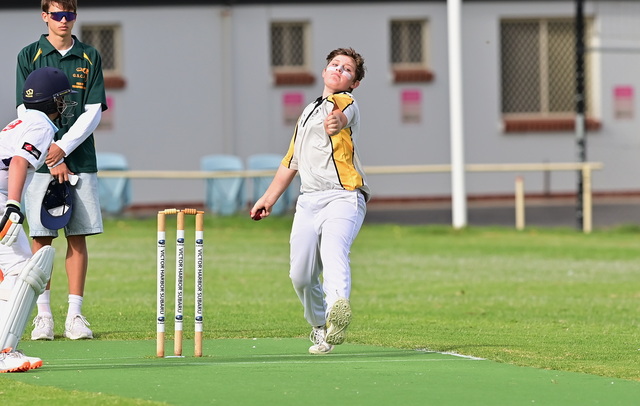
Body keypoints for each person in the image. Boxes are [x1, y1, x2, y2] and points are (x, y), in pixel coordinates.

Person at [250, 47, 369, 355]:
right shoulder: (307, 111)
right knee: (300, 276)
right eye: (335, 65)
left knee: (333, 251)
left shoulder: (347, 102)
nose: (339, 70)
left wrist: (337, 122)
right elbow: (291, 160)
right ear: (324, 71)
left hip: (343, 196)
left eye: (347, 69)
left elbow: (342, 116)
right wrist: (268, 198)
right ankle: (319, 326)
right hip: (308, 201)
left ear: (354, 83)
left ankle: (337, 308)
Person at [16, 0, 107, 341]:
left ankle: (75, 315)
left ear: (75, 17)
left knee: (77, 236)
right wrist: (52, 155)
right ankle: (43, 316)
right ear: (45, 17)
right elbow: (25, 110)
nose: (63, 21)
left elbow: (93, 111)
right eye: (57, 15)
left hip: (81, 159)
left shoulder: (89, 55)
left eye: (69, 15)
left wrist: (64, 148)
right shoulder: (30, 55)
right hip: (40, 159)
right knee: (41, 237)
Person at [0, 66, 76, 372]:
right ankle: (4, 351)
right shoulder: (42, 124)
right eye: (62, 98)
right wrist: (13, 205)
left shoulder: (20, 121)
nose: (64, 104)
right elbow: (19, 161)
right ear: (51, 101)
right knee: (22, 271)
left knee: (12, 272)